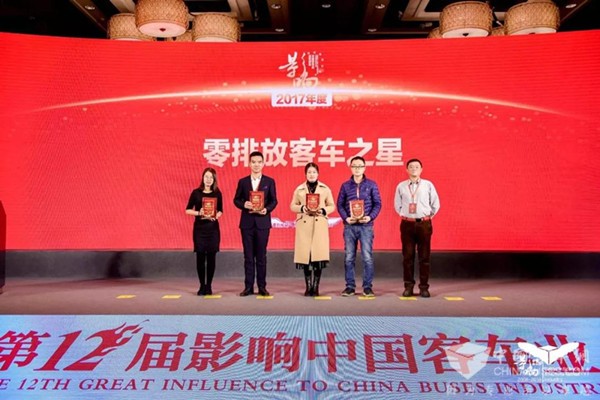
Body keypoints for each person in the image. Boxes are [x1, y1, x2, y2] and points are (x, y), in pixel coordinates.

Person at [233, 151, 278, 296]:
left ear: (263, 163)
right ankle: (248, 287)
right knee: (248, 257)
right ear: (249, 164)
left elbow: (274, 201)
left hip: (262, 223)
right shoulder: (243, 182)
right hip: (247, 224)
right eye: (253, 162)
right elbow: (236, 199)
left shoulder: (269, 181)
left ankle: (262, 287)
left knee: (261, 257)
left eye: (259, 162)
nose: (256, 165)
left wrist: (267, 209)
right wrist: (244, 204)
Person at [394, 158, 440, 298]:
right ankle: (408, 286)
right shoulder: (401, 186)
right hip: (407, 224)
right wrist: (405, 215)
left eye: (417, 167)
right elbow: (397, 205)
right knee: (407, 257)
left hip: (424, 224)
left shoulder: (428, 185)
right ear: (407, 170)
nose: (414, 169)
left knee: (424, 257)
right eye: (411, 167)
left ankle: (424, 287)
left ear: (421, 169)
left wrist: (427, 216)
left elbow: (435, 204)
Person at [337, 156, 382, 297]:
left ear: (364, 167)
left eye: (360, 166)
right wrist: (346, 218)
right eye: (354, 166)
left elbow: (377, 204)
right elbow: (340, 204)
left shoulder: (372, 185)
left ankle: (367, 287)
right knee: (349, 257)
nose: (357, 169)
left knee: (367, 257)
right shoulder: (345, 186)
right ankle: (350, 287)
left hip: (366, 226)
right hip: (349, 227)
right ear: (350, 167)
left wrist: (370, 217)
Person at [290, 162, 336, 297]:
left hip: (319, 225)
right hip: (304, 225)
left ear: (318, 174)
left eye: (314, 172)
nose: (311, 175)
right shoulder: (299, 189)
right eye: (309, 172)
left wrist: (323, 210)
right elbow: (292, 205)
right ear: (305, 174)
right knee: (306, 257)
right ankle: (308, 286)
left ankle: (315, 287)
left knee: (318, 258)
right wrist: (302, 208)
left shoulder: (325, 189)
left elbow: (332, 206)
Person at [185, 167, 223, 296]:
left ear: (214, 180)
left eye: (211, 177)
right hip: (199, 230)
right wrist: (198, 213)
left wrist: (216, 215)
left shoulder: (217, 193)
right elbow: (187, 210)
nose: (208, 179)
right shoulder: (196, 193)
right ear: (203, 178)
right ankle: (202, 285)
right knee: (200, 257)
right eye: (206, 177)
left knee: (211, 258)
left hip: (213, 230)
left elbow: (221, 210)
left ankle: (209, 286)